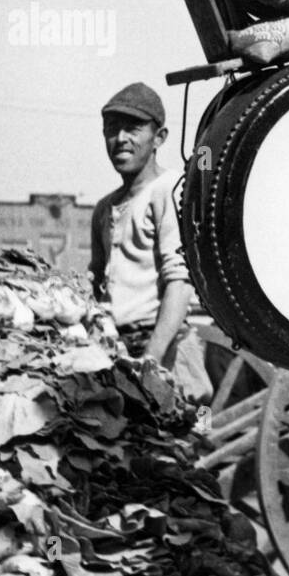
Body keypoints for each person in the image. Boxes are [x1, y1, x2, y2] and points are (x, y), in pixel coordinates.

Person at [90, 82, 210, 402]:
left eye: (133, 128)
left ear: (159, 138)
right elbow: (96, 282)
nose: (121, 139)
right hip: (117, 350)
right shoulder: (104, 208)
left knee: (170, 447)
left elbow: (180, 283)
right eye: (112, 129)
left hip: (161, 347)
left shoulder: (168, 190)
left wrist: (149, 363)